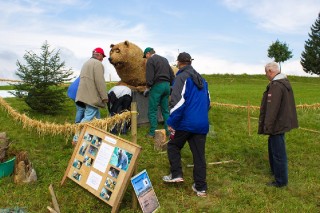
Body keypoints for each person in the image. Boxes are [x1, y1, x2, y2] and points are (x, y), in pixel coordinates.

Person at [162, 52, 211, 197]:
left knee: (173, 145)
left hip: (185, 123)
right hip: (201, 124)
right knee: (199, 156)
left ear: (179, 63)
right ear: (190, 62)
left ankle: (176, 174)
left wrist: (171, 122)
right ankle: (201, 188)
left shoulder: (181, 77)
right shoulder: (203, 80)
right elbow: (208, 103)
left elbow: (177, 102)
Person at [258, 62, 298, 188]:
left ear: (270, 71)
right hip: (281, 122)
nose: (266, 75)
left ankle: (281, 181)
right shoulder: (284, 83)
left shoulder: (276, 86)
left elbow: (272, 109)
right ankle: (276, 172)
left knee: (278, 153)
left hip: (277, 125)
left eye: (266, 73)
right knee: (274, 148)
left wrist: (267, 126)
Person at [72, 47, 108, 145]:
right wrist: (104, 96)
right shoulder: (98, 64)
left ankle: (98, 138)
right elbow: (100, 81)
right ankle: (76, 138)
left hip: (83, 94)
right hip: (91, 96)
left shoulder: (86, 63)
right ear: (99, 55)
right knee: (88, 117)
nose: (102, 59)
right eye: (102, 57)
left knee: (97, 119)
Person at [143, 47, 175, 138]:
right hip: (167, 86)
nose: (146, 58)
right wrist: (171, 85)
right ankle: (168, 132)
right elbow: (172, 74)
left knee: (152, 110)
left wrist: (148, 88)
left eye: (146, 56)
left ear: (148, 53)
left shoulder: (151, 60)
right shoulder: (164, 59)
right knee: (165, 110)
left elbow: (149, 76)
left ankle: (152, 132)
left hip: (157, 87)